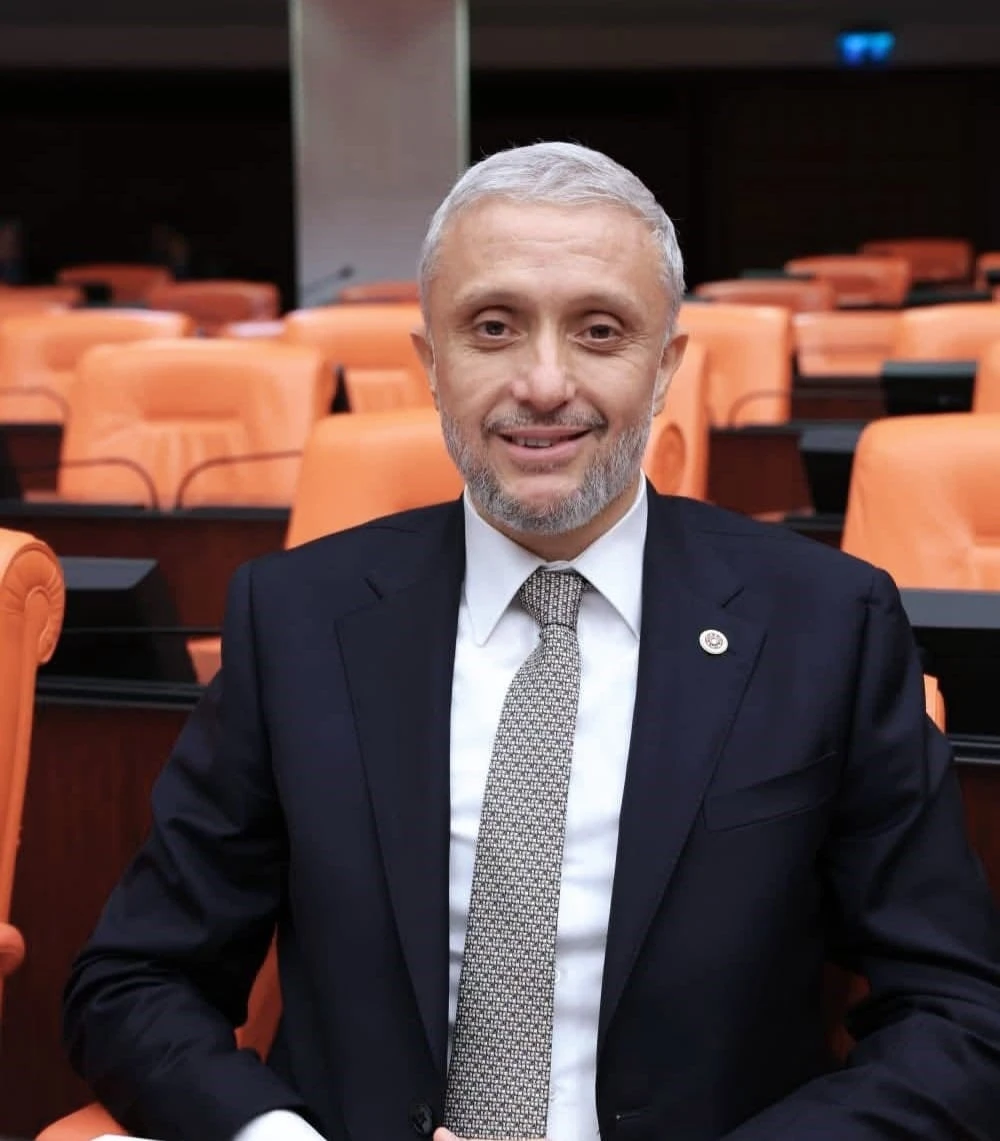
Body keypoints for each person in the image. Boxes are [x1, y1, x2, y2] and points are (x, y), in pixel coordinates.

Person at [63, 141, 1000, 1141]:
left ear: (666, 365)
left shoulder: (825, 623)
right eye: (493, 327)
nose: (544, 383)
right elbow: (134, 981)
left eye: (599, 330)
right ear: (430, 365)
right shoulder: (297, 619)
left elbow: (958, 1017)